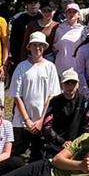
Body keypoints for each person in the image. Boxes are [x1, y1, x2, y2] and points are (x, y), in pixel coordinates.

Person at [9, 31, 61, 161]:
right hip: (21, 122)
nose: (37, 48)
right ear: (29, 47)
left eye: (40, 45)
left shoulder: (50, 67)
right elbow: (16, 95)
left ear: (44, 47)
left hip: (42, 122)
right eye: (34, 45)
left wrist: (41, 120)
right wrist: (27, 120)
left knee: (39, 156)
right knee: (17, 156)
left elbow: (52, 96)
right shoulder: (21, 67)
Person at [42, 68, 89, 156]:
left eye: (73, 83)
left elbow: (87, 126)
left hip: (79, 146)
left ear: (78, 84)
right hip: (56, 147)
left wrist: (76, 143)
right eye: (67, 83)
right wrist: (61, 142)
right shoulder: (54, 102)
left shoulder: (84, 102)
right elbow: (47, 126)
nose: (70, 86)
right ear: (61, 85)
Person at [51, 3, 87, 76]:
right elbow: (54, 47)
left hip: (77, 66)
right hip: (61, 65)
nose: (72, 14)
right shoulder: (58, 29)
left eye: (74, 12)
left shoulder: (83, 29)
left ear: (78, 15)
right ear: (65, 14)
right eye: (69, 12)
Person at [8, 0, 42, 68]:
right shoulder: (19, 19)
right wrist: (15, 56)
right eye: (30, 3)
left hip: (40, 54)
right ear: (26, 5)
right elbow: (13, 40)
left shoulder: (43, 17)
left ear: (39, 5)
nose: (33, 5)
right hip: (22, 56)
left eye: (35, 3)